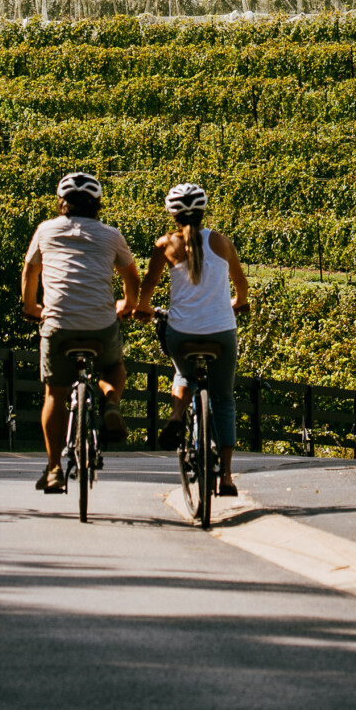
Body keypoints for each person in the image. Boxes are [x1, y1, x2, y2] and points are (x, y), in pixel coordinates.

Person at [20, 171, 143, 494]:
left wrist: (31, 307)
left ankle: (53, 469)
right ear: (97, 205)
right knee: (113, 366)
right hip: (100, 323)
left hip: (58, 323)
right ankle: (111, 402)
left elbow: (31, 269)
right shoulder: (111, 235)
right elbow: (131, 277)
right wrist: (128, 305)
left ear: (61, 202)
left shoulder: (46, 230)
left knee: (54, 394)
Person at [142, 181, 251, 496]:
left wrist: (143, 308)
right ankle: (226, 478)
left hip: (182, 332)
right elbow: (241, 286)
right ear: (203, 212)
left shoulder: (165, 244)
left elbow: (148, 285)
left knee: (183, 372)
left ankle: (177, 414)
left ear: (172, 214)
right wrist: (238, 302)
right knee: (224, 399)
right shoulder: (222, 242)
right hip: (221, 332)